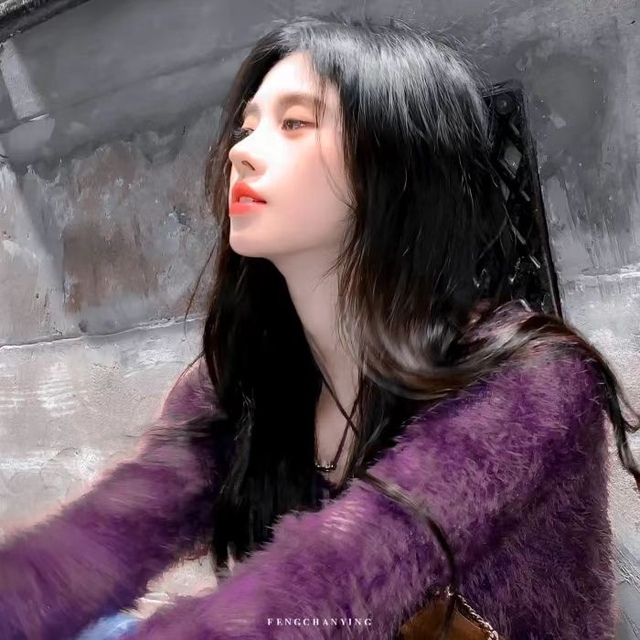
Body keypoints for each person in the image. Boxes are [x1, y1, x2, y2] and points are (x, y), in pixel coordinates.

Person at [0, 14, 638, 640]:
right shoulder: (241, 379)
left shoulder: (531, 381)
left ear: (395, 164)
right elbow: (105, 537)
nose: (242, 151)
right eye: (246, 127)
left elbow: (324, 590)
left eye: (294, 123)